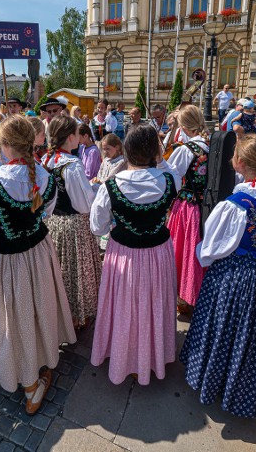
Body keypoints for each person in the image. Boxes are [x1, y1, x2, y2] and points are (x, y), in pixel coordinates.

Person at [181, 135, 256, 418]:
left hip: (239, 278)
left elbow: (212, 248)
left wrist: (200, 255)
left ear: (240, 163)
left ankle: (225, 382)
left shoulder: (236, 203)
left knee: (234, 330)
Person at [0, 116, 75, 414]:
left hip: (3, 259)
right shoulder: (47, 178)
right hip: (37, 253)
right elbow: (46, 214)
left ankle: (21, 373)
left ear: (3, 146)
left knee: (8, 312)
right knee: (36, 307)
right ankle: (34, 367)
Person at [90, 125, 179, 385]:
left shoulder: (111, 186)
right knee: (153, 302)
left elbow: (98, 227)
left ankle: (124, 355)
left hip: (124, 255)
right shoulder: (170, 180)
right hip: (157, 253)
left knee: (125, 304)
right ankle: (152, 353)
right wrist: (159, 157)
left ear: (126, 151)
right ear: (156, 152)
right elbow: (171, 171)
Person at [43, 116, 101, 328]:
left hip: (54, 223)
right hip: (73, 225)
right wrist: (97, 190)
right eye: (77, 133)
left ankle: (61, 313)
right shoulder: (72, 165)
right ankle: (76, 316)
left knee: (61, 269)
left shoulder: (49, 160)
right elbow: (84, 203)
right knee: (75, 272)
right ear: (70, 137)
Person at [166, 105, 209, 314]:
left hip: (186, 207)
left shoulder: (185, 150)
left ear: (183, 126)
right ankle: (199, 294)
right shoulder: (212, 145)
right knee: (198, 249)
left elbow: (171, 180)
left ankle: (183, 298)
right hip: (206, 205)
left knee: (183, 251)